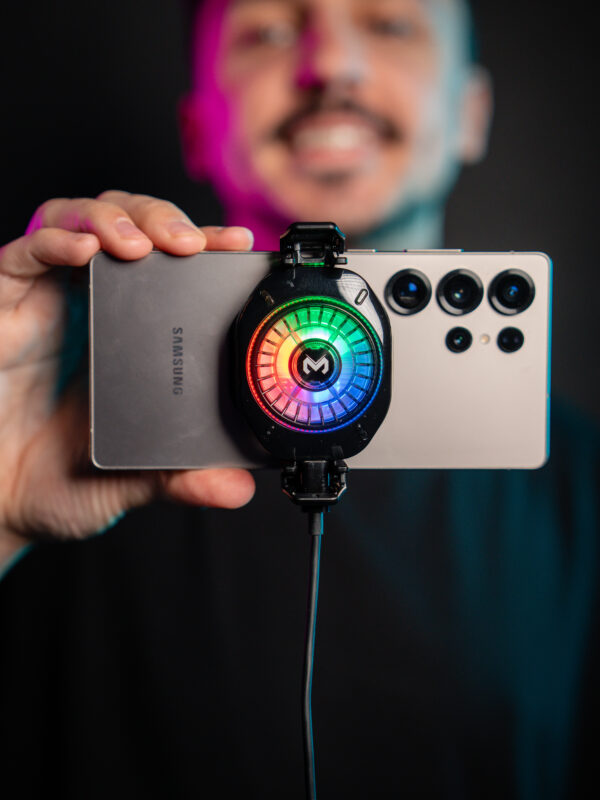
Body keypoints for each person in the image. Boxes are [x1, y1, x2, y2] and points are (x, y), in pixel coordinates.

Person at [0, 1, 597, 798]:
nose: (329, 64)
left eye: (390, 24)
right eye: (270, 32)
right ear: (195, 128)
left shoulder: (588, 496)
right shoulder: (58, 422)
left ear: (471, 111)